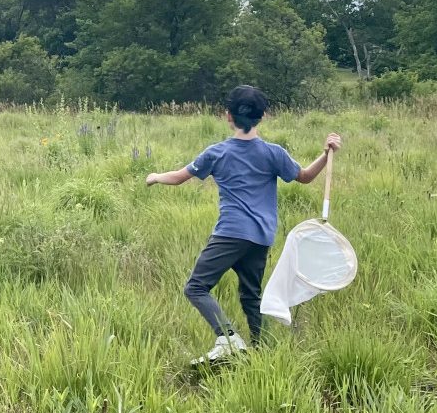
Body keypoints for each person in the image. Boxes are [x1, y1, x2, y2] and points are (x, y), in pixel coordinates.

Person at [145, 85, 341, 364]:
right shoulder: (274, 153)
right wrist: (325, 153)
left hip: (231, 233)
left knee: (196, 288)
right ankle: (261, 355)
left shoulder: (216, 153)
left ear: (228, 116)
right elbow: (306, 176)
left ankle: (228, 339)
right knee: (251, 296)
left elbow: (178, 177)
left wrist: (154, 176)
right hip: (261, 237)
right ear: (263, 117)